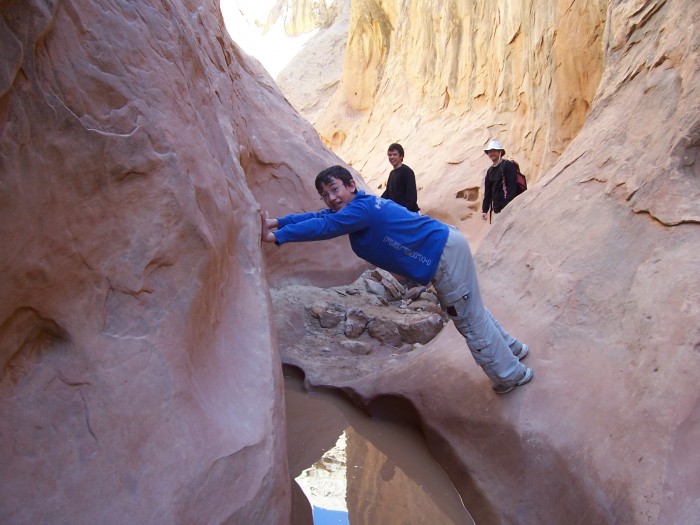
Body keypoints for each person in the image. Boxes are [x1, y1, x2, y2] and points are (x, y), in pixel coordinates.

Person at [261, 165, 533, 394]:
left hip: (443, 255)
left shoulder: (360, 211)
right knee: (471, 309)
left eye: (335, 190)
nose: (330, 198)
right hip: (445, 246)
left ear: (351, 185)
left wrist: (277, 237)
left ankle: (511, 375)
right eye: (325, 195)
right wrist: (277, 222)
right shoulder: (359, 205)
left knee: (467, 320)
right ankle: (513, 349)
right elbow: (320, 217)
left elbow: (324, 227)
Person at [481, 140, 519, 221]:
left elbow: (512, 185)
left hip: (509, 207)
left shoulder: (507, 165)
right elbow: (488, 192)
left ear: (500, 152)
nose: (491, 153)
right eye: (490, 152)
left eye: (494, 151)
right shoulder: (490, 171)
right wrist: (484, 210)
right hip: (497, 209)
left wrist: (509, 204)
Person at [381, 143, 420, 212]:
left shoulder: (407, 171)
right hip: (398, 213)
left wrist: (405, 213)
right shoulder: (392, 173)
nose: (392, 157)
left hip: (410, 214)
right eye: (390, 155)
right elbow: (387, 193)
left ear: (401, 156)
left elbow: (412, 196)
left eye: (395, 154)